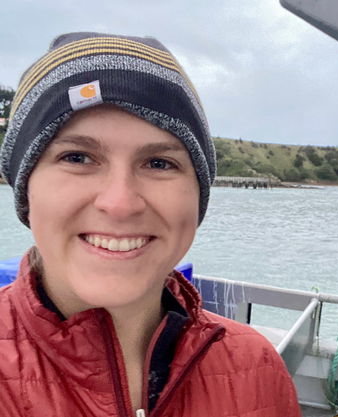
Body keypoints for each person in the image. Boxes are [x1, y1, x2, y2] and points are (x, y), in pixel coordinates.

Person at [0, 32, 301, 417]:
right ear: (26, 187)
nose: (120, 203)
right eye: (77, 157)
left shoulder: (255, 365)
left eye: (159, 163)